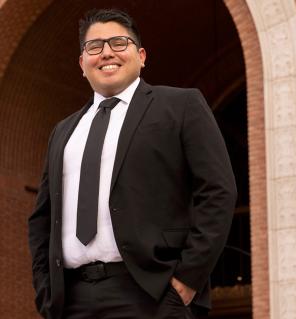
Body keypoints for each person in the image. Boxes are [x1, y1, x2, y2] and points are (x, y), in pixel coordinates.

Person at [28, 8, 236, 319]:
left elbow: (219, 192)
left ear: (141, 56)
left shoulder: (181, 106)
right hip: (70, 302)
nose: (106, 52)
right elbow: (42, 218)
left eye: (118, 43)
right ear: (82, 64)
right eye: (94, 47)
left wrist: (186, 281)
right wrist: (46, 291)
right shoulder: (63, 131)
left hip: (152, 295)